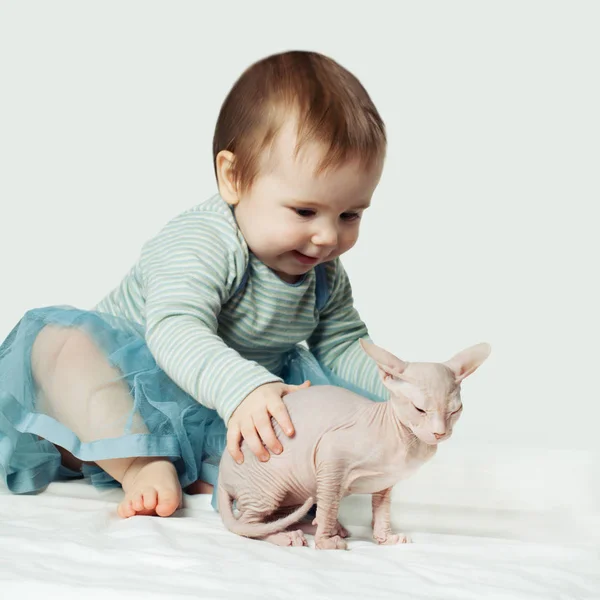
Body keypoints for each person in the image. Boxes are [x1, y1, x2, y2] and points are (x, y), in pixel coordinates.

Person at [0, 50, 389, 518]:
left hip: (219, 406)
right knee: (59, 345)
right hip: (126, 394)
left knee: (298, 427)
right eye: (305, 211)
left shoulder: (322, 270)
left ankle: (212, 469)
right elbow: (175, 329)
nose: (328, 236)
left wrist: (401, 389)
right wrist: (244, 388)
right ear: (233, 178)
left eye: (350, 215)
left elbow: (343, 344)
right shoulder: (202, 241)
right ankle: (141, 462)